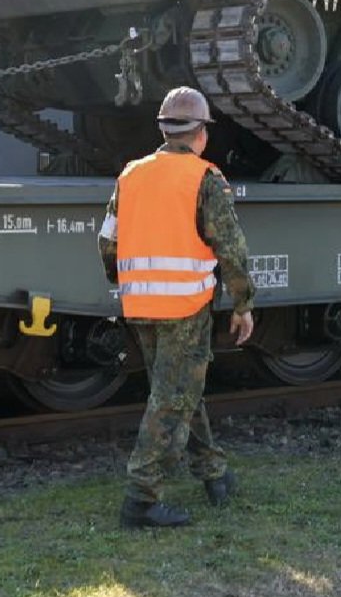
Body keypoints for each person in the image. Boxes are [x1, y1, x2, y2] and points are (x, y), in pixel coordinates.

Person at [99, 86, 256, 528]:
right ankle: (141, 498)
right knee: (173, 398)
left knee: (179, 390)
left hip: (141, 304)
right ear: (200, 133)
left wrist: (124, 278)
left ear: (166, 130)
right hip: (185, 305)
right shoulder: (205, 179)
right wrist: (243, 303)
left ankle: (214, 474)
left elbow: (107, 240)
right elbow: (230, 247)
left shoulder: (130, 174)